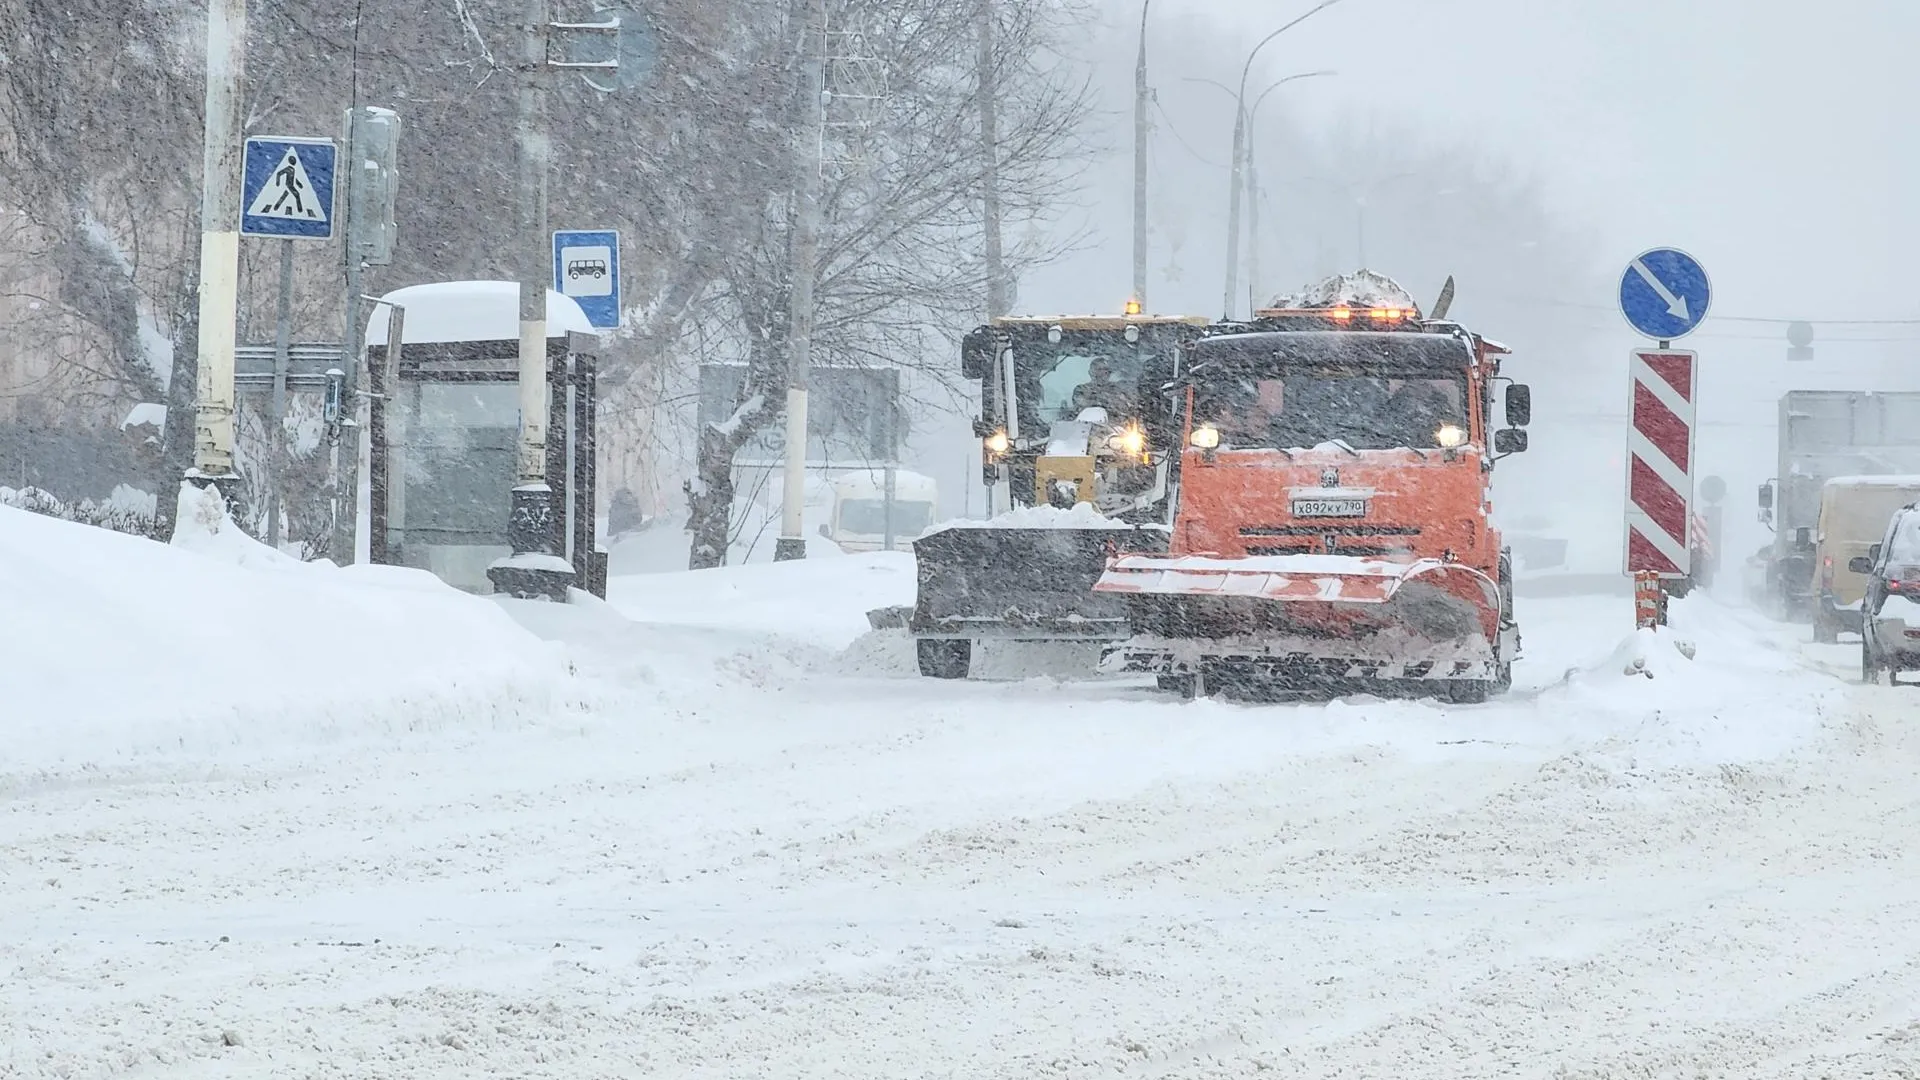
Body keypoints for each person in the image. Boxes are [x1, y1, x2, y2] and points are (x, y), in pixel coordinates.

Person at [1070, 357, 1136, 419]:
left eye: (1106, 369)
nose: (1103, 372)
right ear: (1091, 372)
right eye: (1099, 369)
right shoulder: (1081, 389)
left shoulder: (1117, 389)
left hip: (1115, 428)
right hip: (1086, 426)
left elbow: (1125, 407)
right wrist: (1101, 402)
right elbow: (1081, 405)